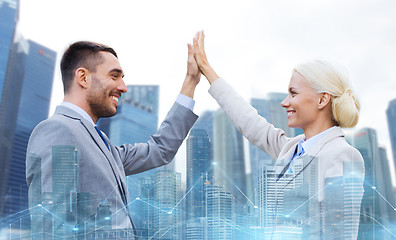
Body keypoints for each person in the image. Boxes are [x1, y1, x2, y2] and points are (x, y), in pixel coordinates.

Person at [192, 31, 365, 239]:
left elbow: (340, 233)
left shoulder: (343, 155)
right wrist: (209, 72)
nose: (285, 102)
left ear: (322, 100)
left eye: (294, 93)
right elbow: (250, 122)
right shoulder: (291, 149)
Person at [26, 41, 200, 238]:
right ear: (83, 78)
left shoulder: (106, 147)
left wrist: (191, 81)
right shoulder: (57, 130)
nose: (123, 87)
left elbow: (160, 150)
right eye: (114, 76)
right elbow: (51, 228)